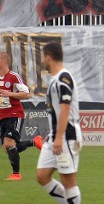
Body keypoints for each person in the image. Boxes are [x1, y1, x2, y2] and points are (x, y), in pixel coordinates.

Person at [36, 42, 82, 203]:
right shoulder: (55, 80)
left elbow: (65, 108)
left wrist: (59, 138)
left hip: (67, 136)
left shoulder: (64, 78)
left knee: (68, 180)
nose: (42, 61)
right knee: (42, 176)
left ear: (48, 57)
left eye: (43, 57)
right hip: (55, 136)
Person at [0, 51, 43, 180]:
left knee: (8, 144)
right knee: (9, 147)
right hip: (2, 116)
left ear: (3, 61)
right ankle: (34, 142)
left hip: (14, 114)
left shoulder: (13, 77)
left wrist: (10, 94)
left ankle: (16, 174)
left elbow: (26, 93)